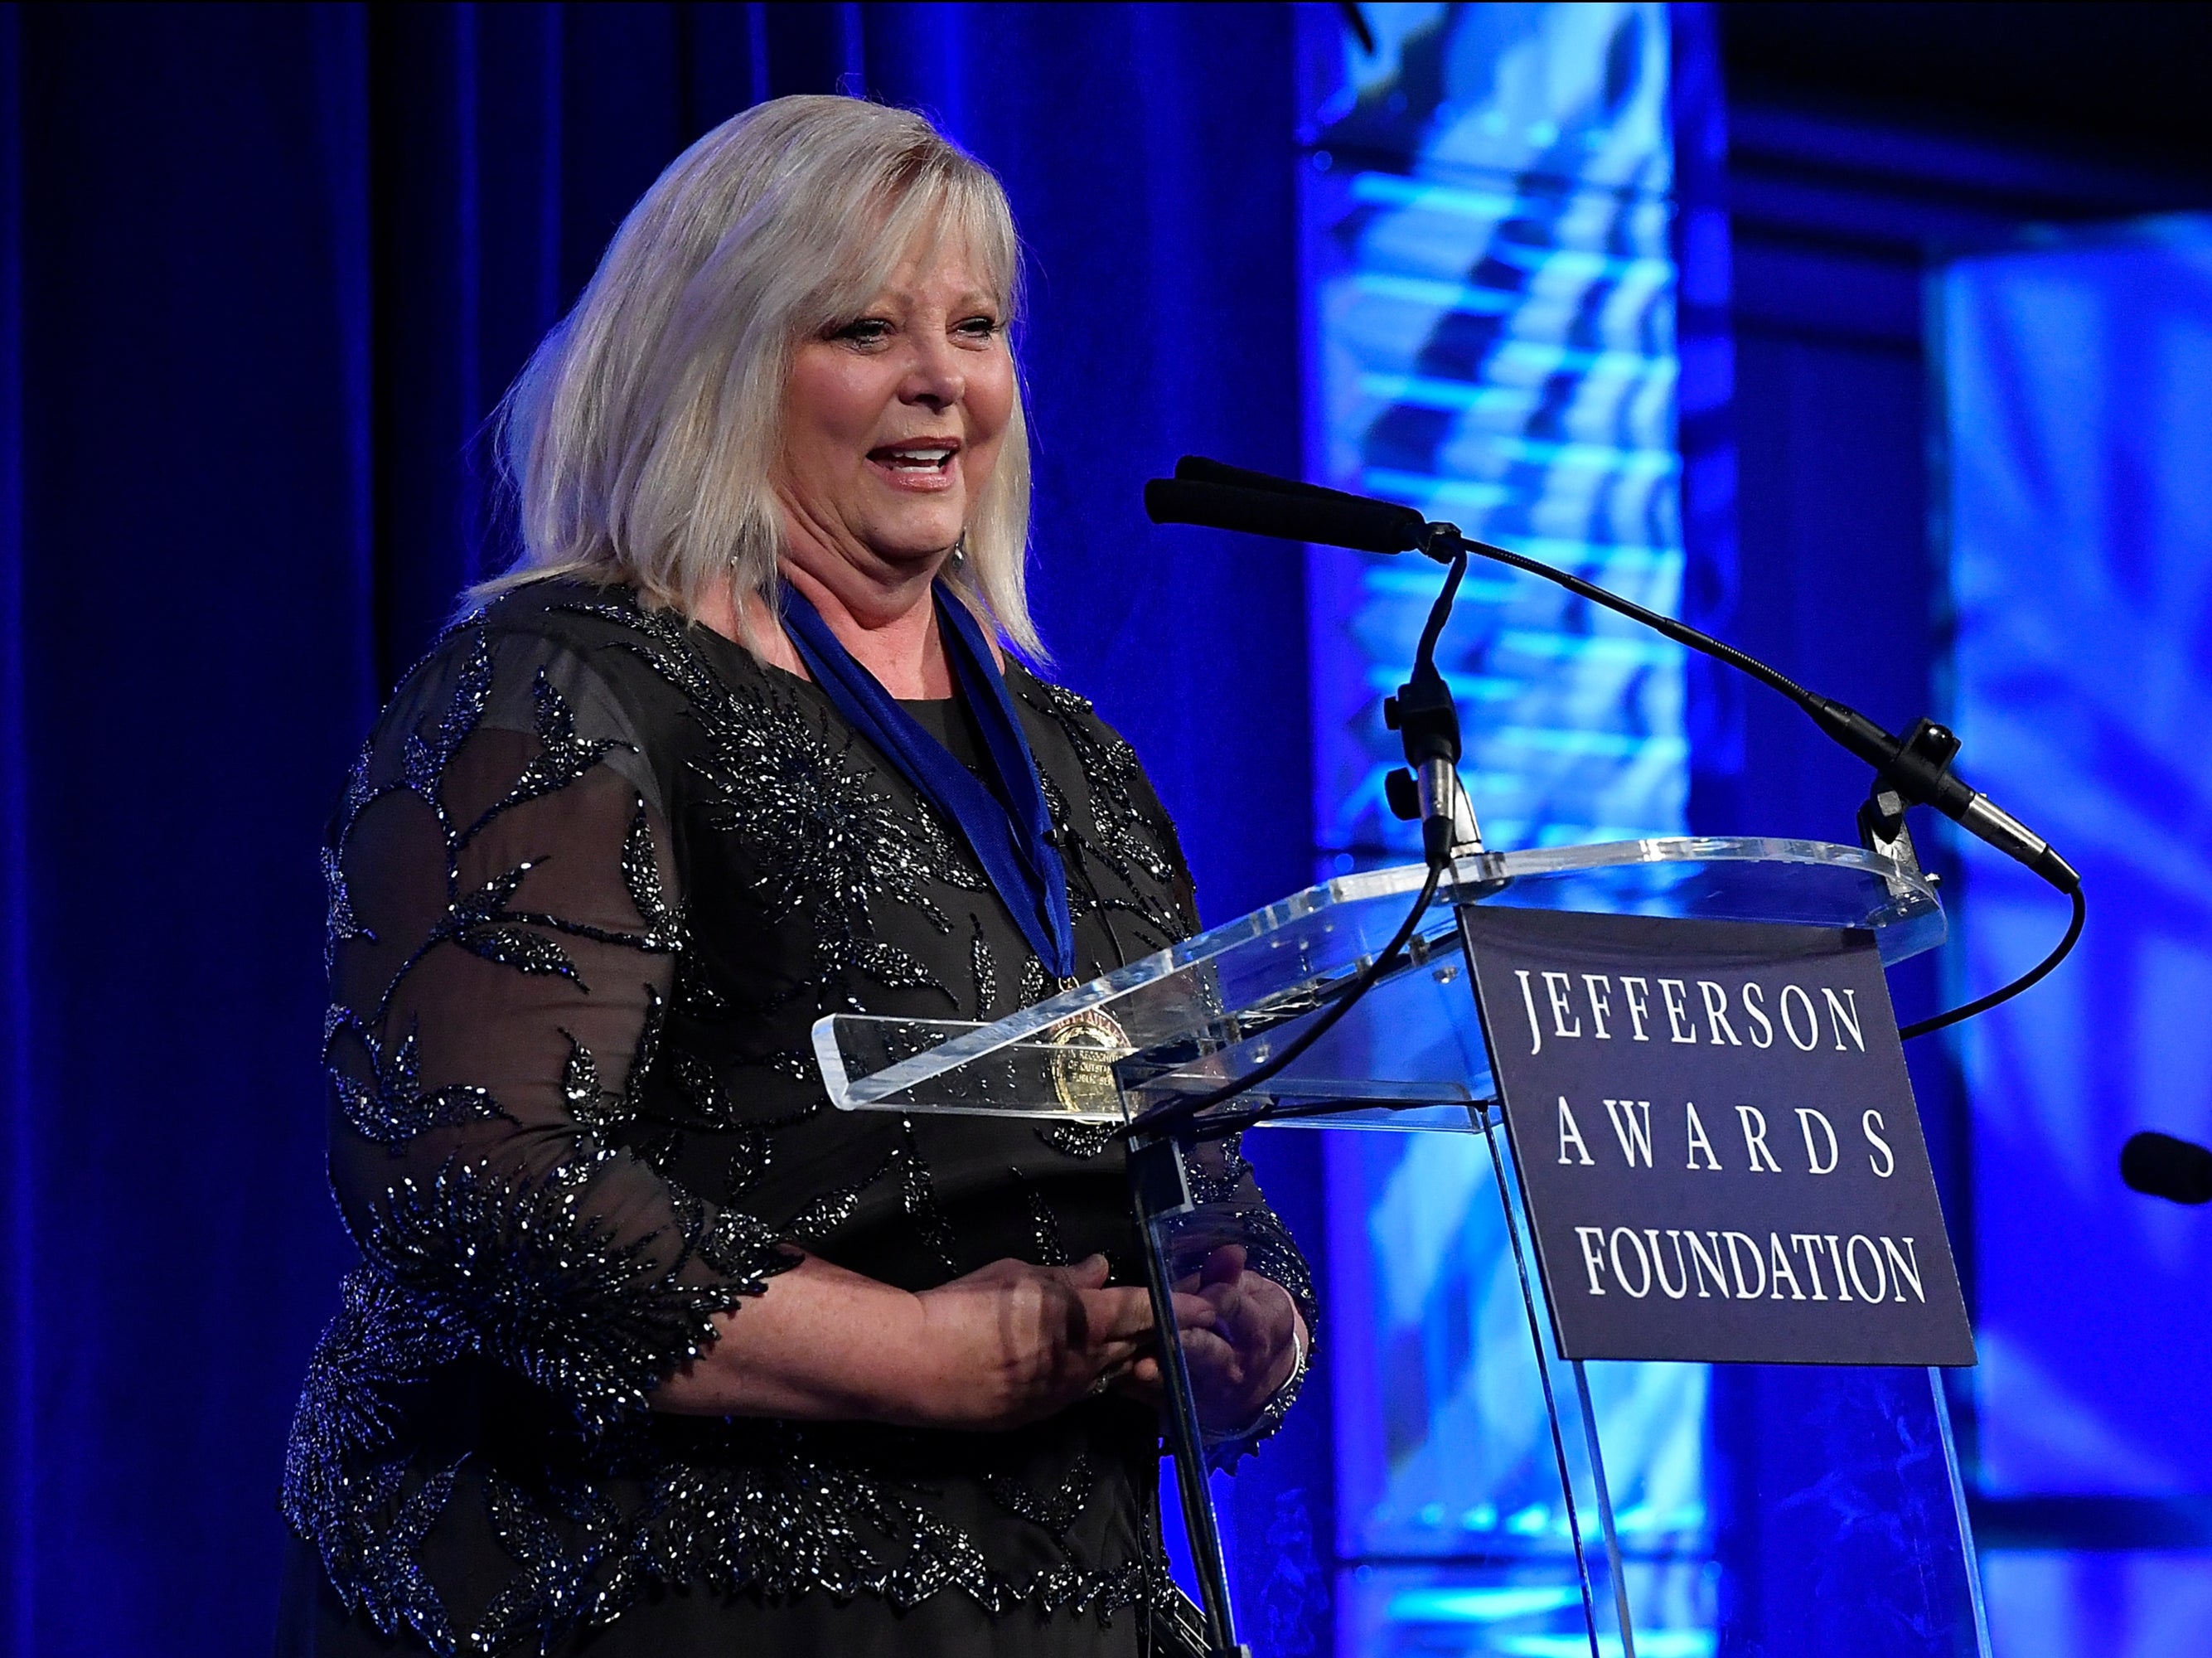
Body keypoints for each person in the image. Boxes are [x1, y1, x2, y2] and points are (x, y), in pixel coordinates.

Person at [277, 94, 1314, 1658]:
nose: (941, 382)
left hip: (1061, 1606)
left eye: (975, 326)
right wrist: (912, 1357)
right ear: (711, 368)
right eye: (862, 328)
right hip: (673, 1600)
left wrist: (1239, 1321)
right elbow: (476, 1187)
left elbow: (1188, 1152)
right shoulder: (560, 688)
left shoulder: (1079, 760)